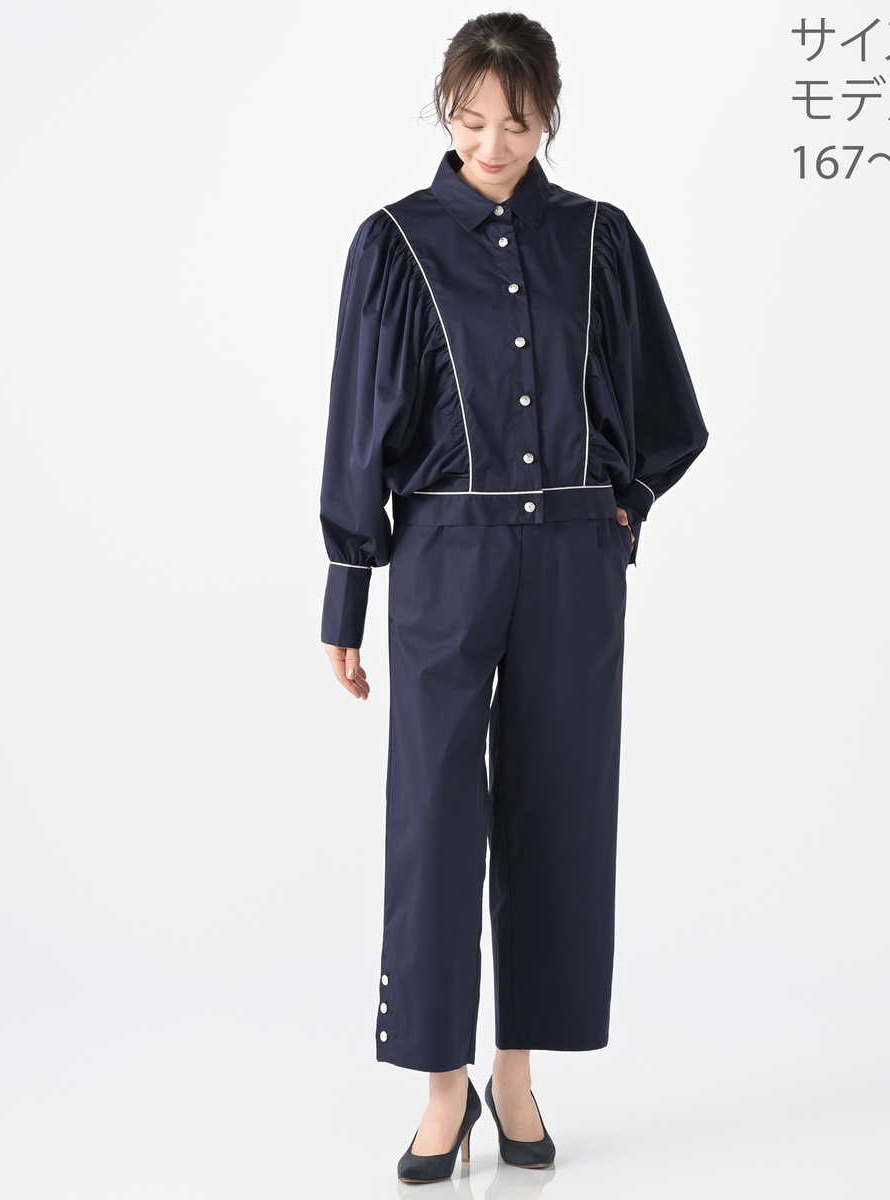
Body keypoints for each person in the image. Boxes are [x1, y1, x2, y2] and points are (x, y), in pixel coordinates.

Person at [319, 12, 707, 1183]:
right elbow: (358, 431)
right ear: (448, 109)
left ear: (549, 118)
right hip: (444, 555)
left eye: (519, 123)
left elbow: (666, 408)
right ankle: (443, 1089)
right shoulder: (395, 243)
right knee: (434, 817)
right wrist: (346, 595)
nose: (493, 144)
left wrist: (623, 505)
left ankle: (519, 1075)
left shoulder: (598, 238)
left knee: (558, 811)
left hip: (574, 562)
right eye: (473, 119)